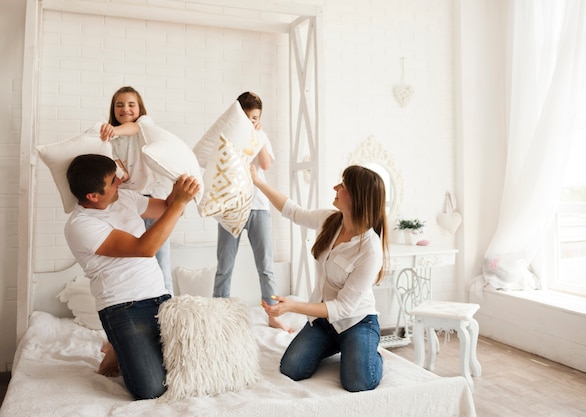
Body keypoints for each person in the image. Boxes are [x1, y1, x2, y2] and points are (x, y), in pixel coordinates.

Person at [64, 154, 200, 400]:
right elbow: (144, 248)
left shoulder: (124, 197)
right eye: (112, 181)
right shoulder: (81, 225)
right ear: (93, 196)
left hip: (160, 297)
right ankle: (118, 344)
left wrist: (178, 192)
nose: (120, 181)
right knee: (150, 389)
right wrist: (180, 204)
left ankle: (120, 346)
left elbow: (166, 209)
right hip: (123, 307)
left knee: (188, 366)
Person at [252, 164, 389, 392]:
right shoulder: (330, 221)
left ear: (357, 197)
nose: (335, 187)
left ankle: (366, 350)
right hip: (325, 324)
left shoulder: (370, 249)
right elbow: (292, 211)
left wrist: (293, 306)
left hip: (356, 322)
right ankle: (340, 345)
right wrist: (258, 182)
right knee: (292, 369)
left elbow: (344, 307)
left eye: (343, 185)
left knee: (358, 382)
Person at [213, 91, 291, 332]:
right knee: (224, 264)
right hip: (232, 206)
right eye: (247, 117)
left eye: (255, 118)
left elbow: (266, 164)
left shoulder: (261, 135)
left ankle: (272, 313)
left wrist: (256, 136)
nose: (251, 121)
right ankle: (219, 312)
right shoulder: (227, 135)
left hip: (258, 207)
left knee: (265, 265)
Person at [99, 86, 174, 294]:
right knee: (134, 265)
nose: (125, 109)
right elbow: (123, 175)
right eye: (119, 105)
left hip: (152, 200)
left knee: (161, 263)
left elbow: (134, 128)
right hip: (128, 203)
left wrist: (113, 130)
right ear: (113, 109)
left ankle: (168, 312)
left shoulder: (144, 124)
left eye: (131, 104)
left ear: (139, 108)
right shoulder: (110, 140)